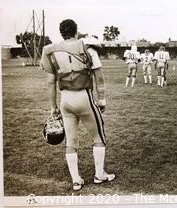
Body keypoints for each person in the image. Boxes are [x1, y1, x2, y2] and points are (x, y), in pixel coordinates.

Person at [40, 19, 115, 191]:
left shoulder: (51, 51)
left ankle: (76, 180)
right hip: (84, 96)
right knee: (99, 138)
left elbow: (50, 83)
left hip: (65, 99)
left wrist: (53, 106)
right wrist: (102, 98)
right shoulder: (88, 47)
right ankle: (99, 175)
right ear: (76, 31)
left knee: (71, 142)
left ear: (61, 33)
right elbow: (99, 78)